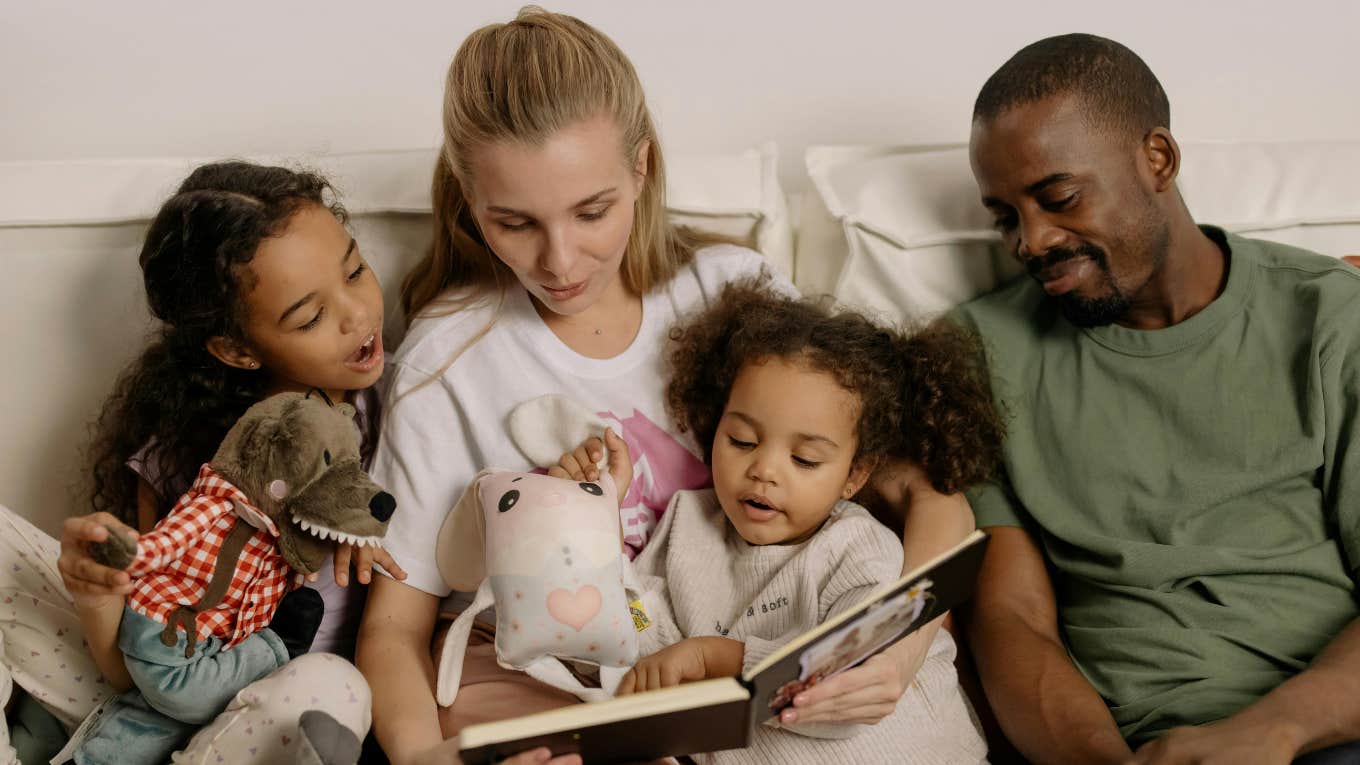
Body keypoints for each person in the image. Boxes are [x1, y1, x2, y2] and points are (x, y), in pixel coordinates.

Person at [356, 9, 962, 764]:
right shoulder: (446, 363)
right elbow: (391, 628)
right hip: (546, 683)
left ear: (641, 168)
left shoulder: (729, 291)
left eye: (592, 210)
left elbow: (932, 498)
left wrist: (895, 647)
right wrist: (419, 757)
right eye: (513, 222)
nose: (560, 261)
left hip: (719, 675)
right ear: (470, 201)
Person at [956, 34, 1360, 765]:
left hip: (1328, 729)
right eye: (1005, 217)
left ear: (1158, 160)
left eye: (1058, 198)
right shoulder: (982, 353)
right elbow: (1009, 619)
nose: (1031, 239)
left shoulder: (1332, 319)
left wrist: (1273, 732)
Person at [0, 160, 406, 764]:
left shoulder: (401, 405)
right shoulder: (183, 453)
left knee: (329, 687)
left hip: (281, 713)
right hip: (161, 696)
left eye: (355, 270)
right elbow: (133, 671)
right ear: (238, 350)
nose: (357, 315)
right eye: (311, 317)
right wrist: (97, 595)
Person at [578, 284, 998, 764]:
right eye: (741, 441)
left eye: (803, 459)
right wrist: (600, 534)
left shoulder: (859, 548)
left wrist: (709, 658)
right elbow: (640, 625)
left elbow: (839, 691)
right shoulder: (684, 526)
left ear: (855, 474)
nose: (764, 471)